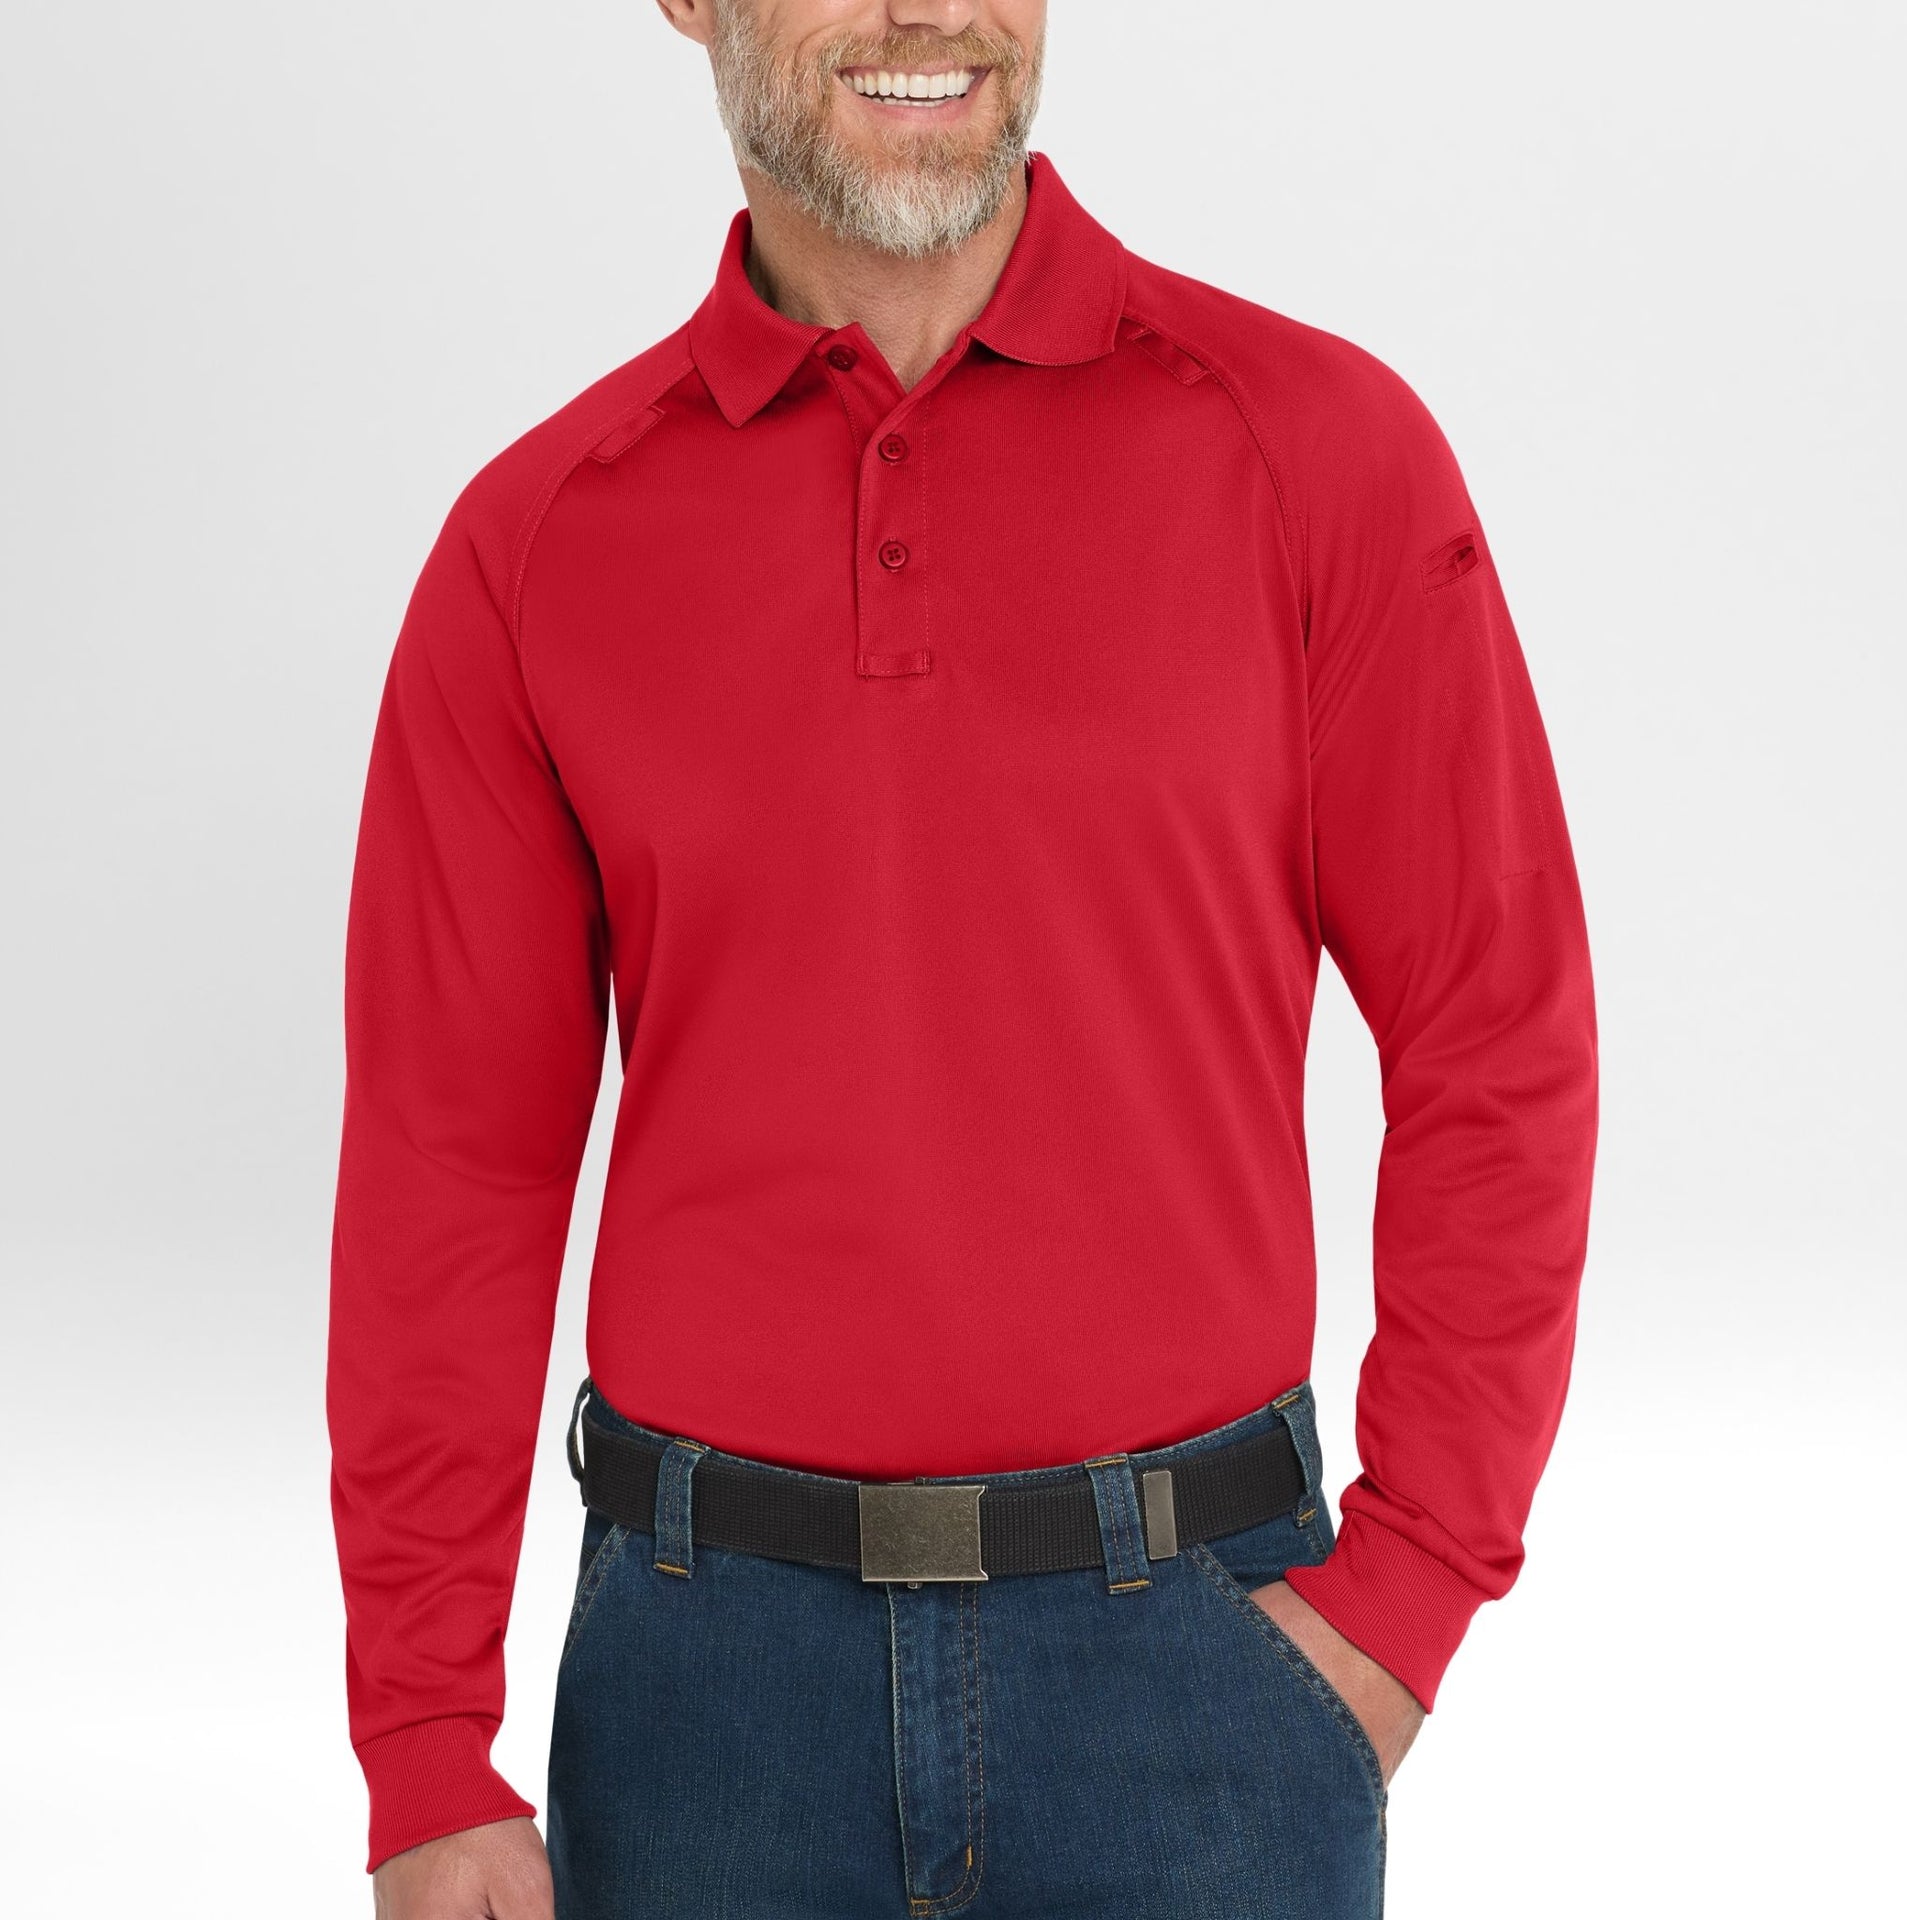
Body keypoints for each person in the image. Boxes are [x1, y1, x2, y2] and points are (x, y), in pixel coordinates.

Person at [325, 1, 1600, 1914]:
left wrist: (1409, 1592)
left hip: (1202, 1668)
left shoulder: (1317, 453)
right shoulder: (539, 545)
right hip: (703, 1692)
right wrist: (424, 1745)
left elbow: (1499, 1035)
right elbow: (450, 1172)